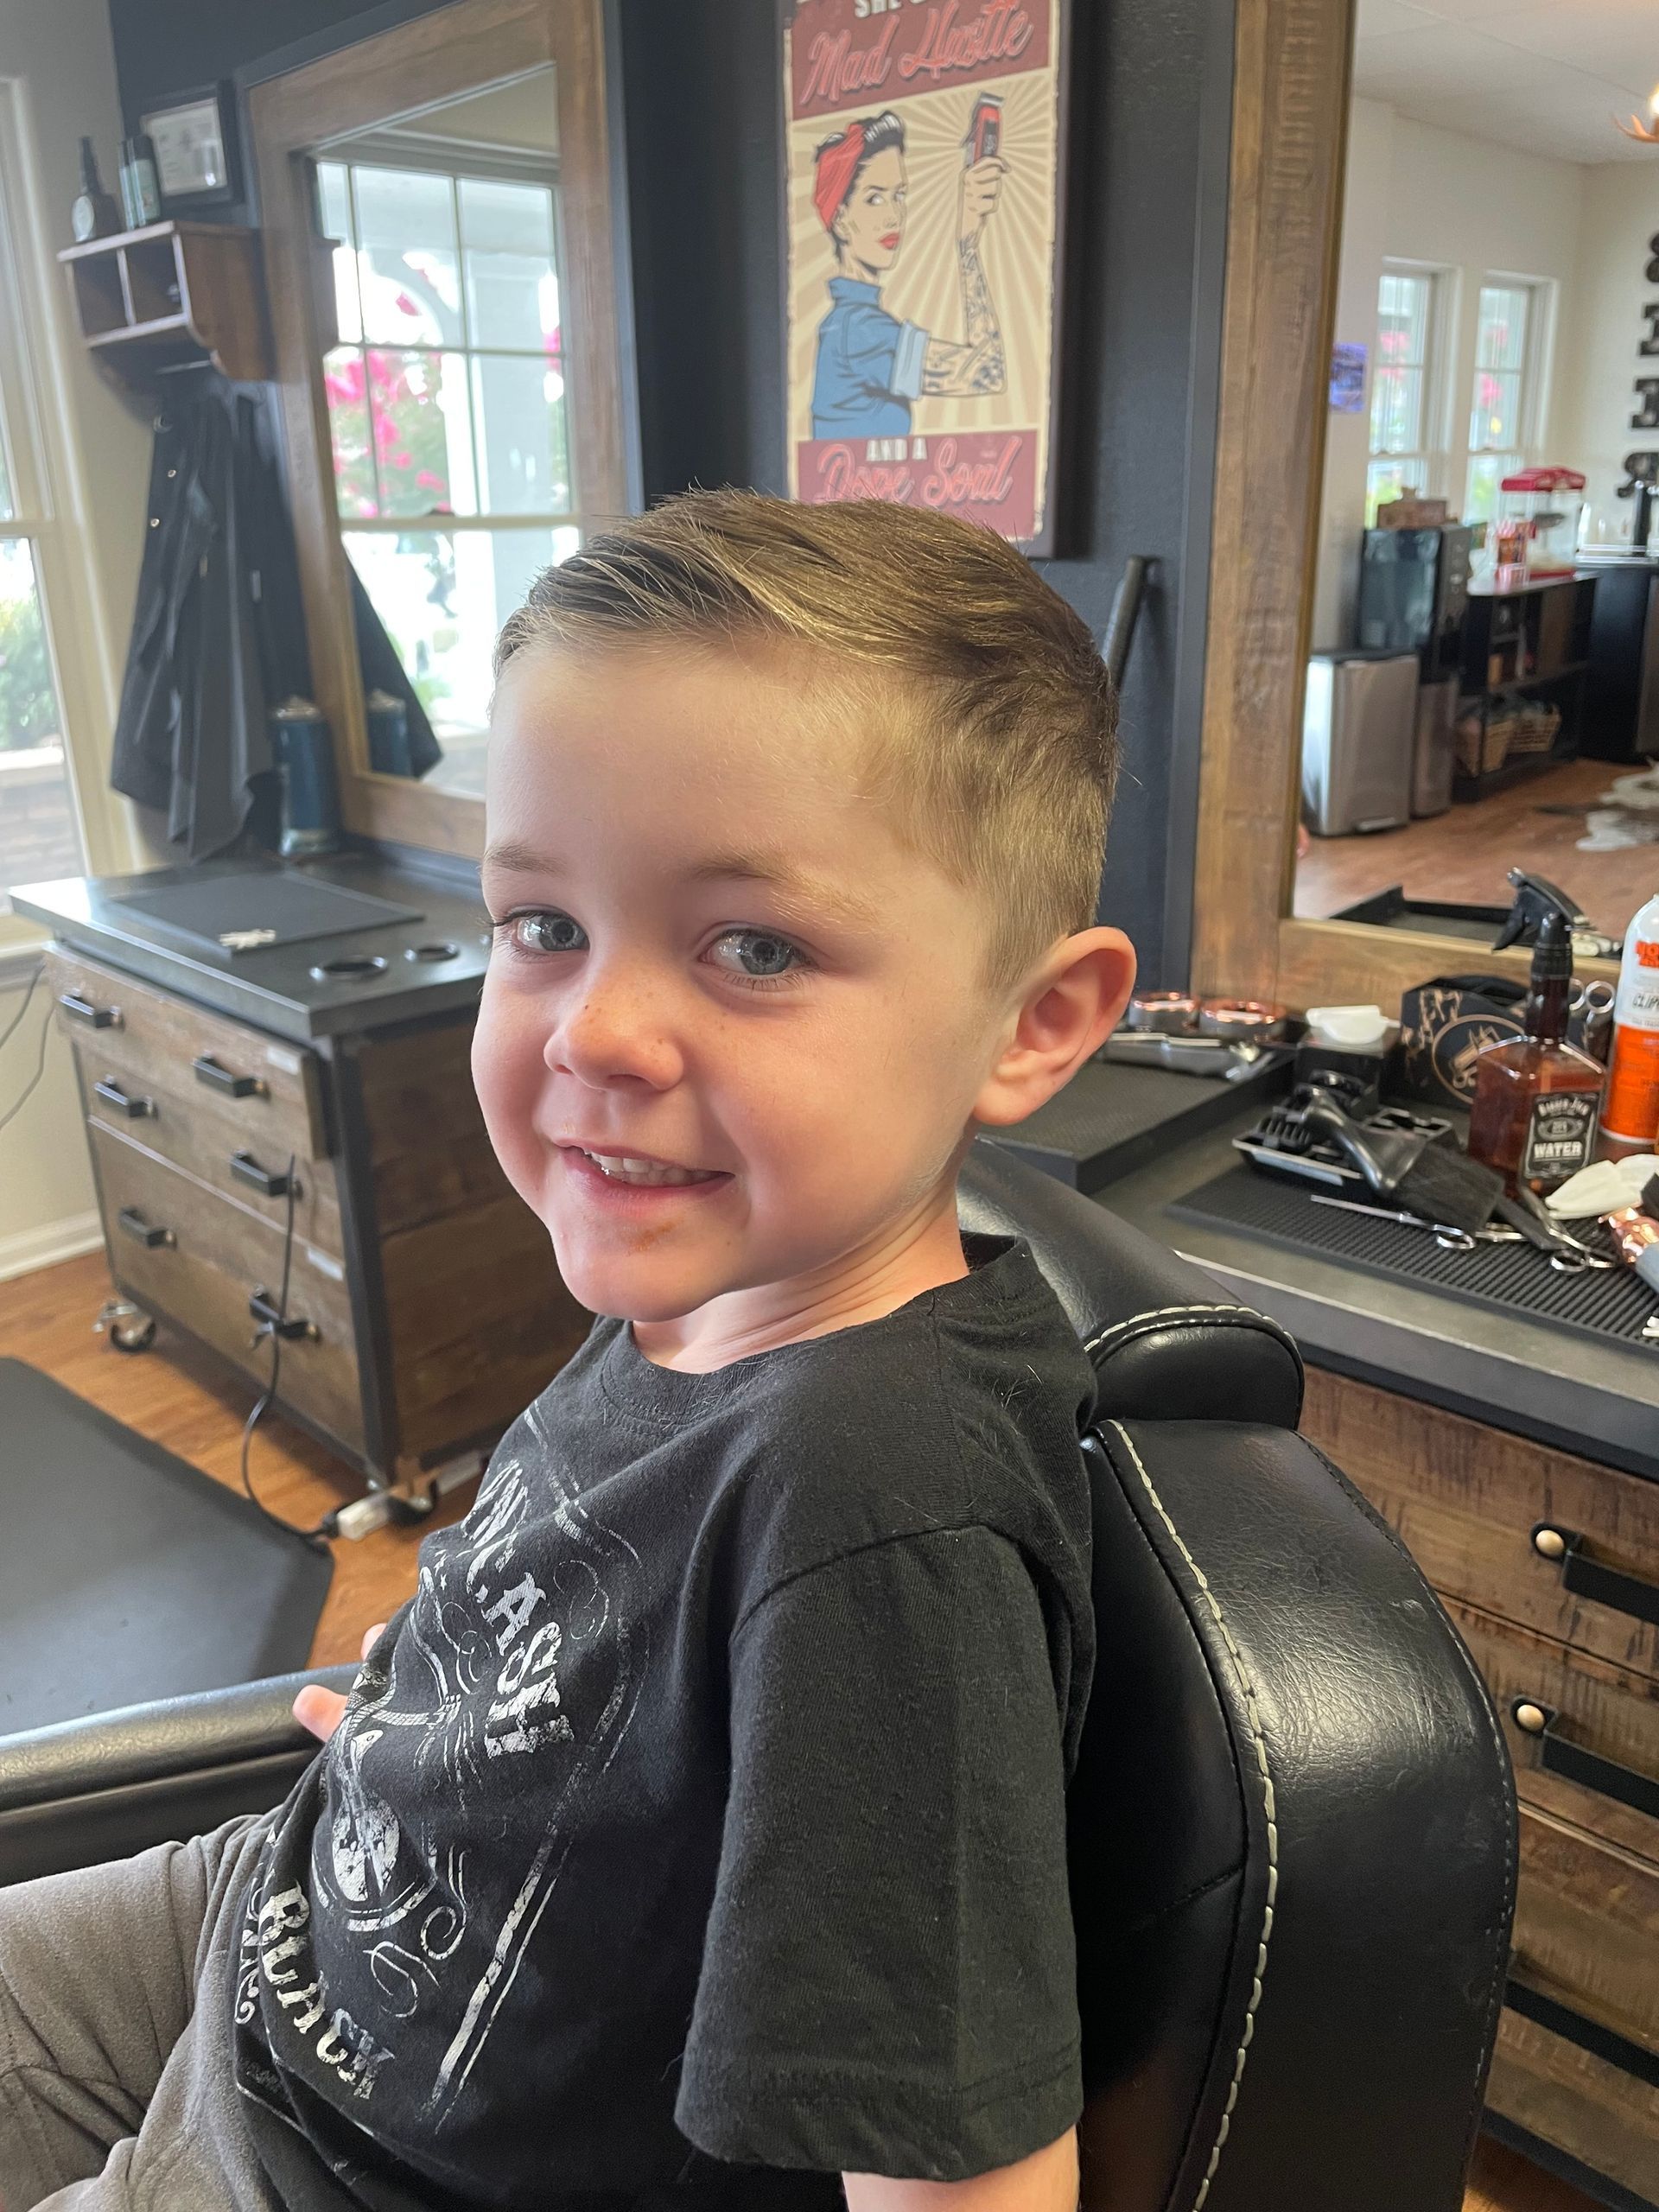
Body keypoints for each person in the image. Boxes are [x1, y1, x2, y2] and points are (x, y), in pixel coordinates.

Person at [0, 493, 1135, 2212]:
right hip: (270, 1919)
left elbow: (970, 2192)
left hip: (331, 2169)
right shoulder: (704, 1300)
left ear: (1035, 1022)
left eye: (754, 946)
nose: (596, 1027)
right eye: (541, 924)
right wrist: (431, 1728)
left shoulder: (872, 1507)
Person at [809, 109, 1007, 439]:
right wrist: (967, 245)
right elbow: (987, 372)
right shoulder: (856, 330)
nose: (894, 215)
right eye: (874, 198)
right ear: (841, 219)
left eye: (898, 195)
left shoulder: (849, 322)